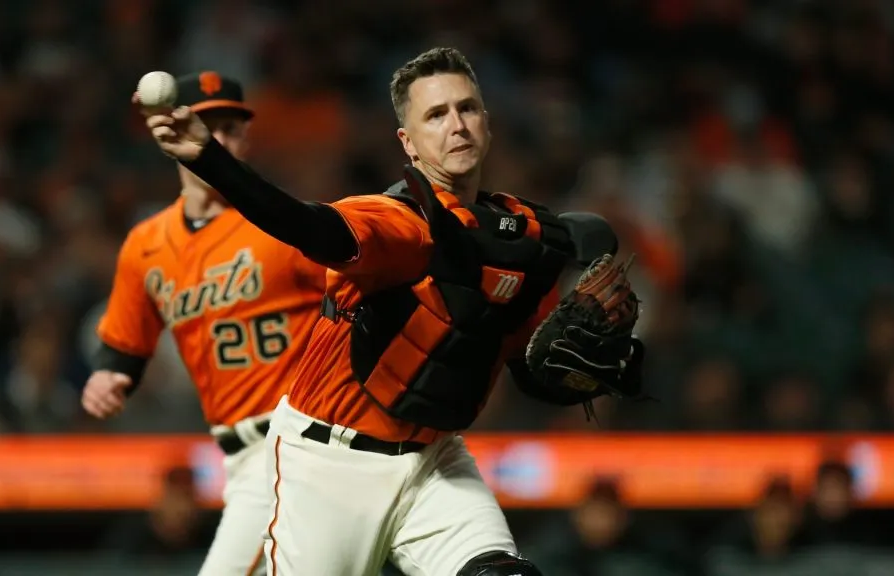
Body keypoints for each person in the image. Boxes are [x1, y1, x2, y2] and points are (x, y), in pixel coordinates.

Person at [140, 48, 636, 576]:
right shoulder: (397, 223)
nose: (457, 125)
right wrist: (210, 159)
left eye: (467, 108)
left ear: (487, 124)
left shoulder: (527, 242)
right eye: (436, 114)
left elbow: (528, 366)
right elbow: (306, 224)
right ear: (409, 141)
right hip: (329, 464)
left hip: (433, 461)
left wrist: (578, 375)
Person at [83, 71, 326, 576]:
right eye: (205, 123)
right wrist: (110, 373)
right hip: (236, 460)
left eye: (230, 127)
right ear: (172, 132)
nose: (217, 138)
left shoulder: (284, 224)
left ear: (246, 137)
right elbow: (126, 342)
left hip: (299, 443)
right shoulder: (146, 244)